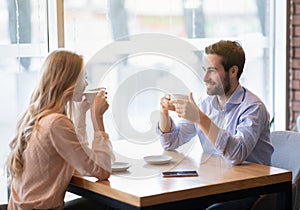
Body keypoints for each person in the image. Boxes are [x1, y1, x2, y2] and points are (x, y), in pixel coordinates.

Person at [158, 40, 274, 210]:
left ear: (233, 71)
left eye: (212, 71)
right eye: (204, 70)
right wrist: (163, 112)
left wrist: (200, 118)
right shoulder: (205, 104)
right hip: (215, 185)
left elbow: (237, 154)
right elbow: (171, 142)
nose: (205, 78)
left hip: (247, 192)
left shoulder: (253, 107)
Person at [6, 50, 115, 210]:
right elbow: (102, 170)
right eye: (83, 77)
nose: (86, 84)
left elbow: (77, 157)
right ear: (69, 81)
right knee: (110, 205)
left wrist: (81, 115)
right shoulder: (56, 123)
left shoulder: (38, 117)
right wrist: (97, 118)